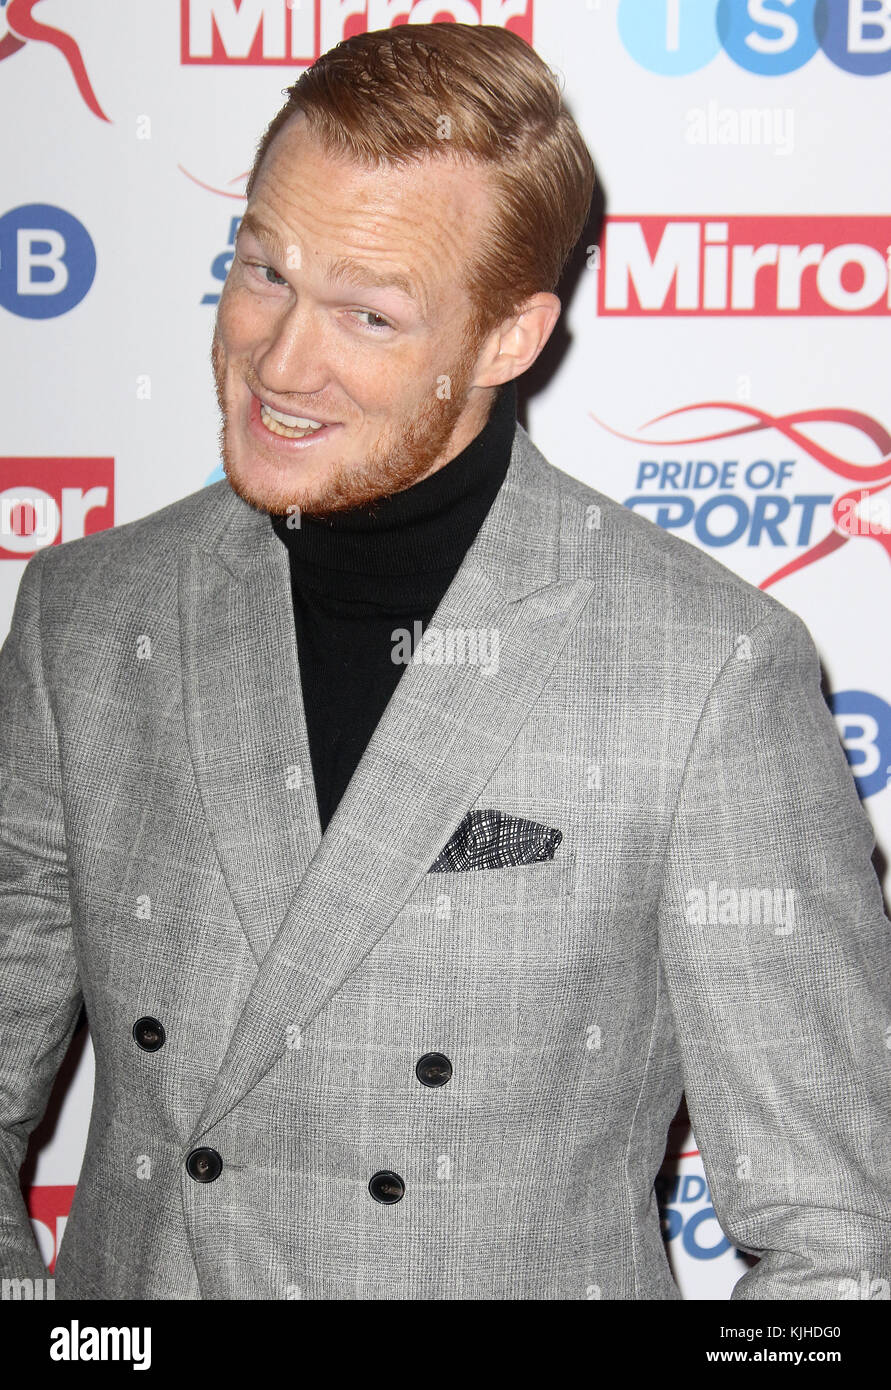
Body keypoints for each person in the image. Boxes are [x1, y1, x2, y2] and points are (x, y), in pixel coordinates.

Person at [0, 22, 888, 1301]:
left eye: (369, 311)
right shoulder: (85, 617)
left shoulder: (708, 673)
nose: (280, 361)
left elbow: (844, 1247)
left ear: (509, 338)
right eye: (264, 271)